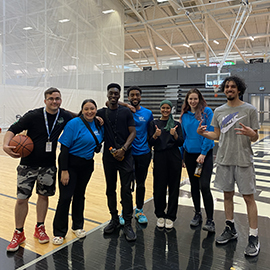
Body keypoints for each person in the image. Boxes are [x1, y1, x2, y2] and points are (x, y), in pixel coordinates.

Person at [3, 87, 73, 252]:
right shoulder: (33, 115)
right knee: (22, 199)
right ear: (45, 100)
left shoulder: (64, 116)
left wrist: (97, 117)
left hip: (48, 166)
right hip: (27, 165)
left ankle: (39, 227)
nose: (54, 101)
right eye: (51, 98)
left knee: (43, 196)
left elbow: (81, 117)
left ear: (60, 100)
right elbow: (13, 129)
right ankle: (18, 232)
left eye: (57, 98)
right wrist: (5, 145)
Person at [197, 75, 260, 257]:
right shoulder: (219, 111)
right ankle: (230, 228)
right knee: (227, 195)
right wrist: (203, 133)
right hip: (224, 159)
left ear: (239, 89)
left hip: (243, 160)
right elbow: (217, 136)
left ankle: (253, 236)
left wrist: (251, 134)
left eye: (233, 87)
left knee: (249, 198)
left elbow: (255, 137)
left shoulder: (250, 110)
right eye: (227, 87)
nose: (229, 89)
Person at [52, 99, 104, 245]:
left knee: (80, 196)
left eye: (92, 109)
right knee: (65, 197)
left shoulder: (99, 124)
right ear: (82, 110)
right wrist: (64, 170)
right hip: (70, 164)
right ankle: (59, 232)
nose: (89, 111)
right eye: (86, 109)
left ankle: (77, 226)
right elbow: (64, 149)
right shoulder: (73, 124)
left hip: (87, 165)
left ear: (96, 110)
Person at [96, 83, 137, 241]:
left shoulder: (126, 111)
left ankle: (127, 223)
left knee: (126, 190)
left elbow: (133, 132)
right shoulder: (100, 112)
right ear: (107, 94)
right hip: (108, 156)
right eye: (111, 93)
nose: (113, 96)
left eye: (116, 94)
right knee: (110, 189)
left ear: (119, 96)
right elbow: (82, 116)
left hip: (125, 156)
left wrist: (124, 149)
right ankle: (114, 219)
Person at [180, 89, 215, 232]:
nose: (192, 101)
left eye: (195, 98)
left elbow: (210, 132)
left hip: (204, 156)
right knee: (194, 185)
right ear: (187, 100)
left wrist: (203, 153)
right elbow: (183, 136)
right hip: (189, 155)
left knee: (204, 186)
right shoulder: (184, 116)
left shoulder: (207, 112)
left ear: (199, 99)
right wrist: (182, 156)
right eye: (190, 99)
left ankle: (210, 220)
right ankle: (197, 214)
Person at [118, 86, 153, 225]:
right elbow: (108, 103)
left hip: (143, 153)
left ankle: (139, 210)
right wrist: (127, 105)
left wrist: (148, 147)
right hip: (128, 154)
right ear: (128, 97)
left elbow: (150, 132)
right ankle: (124, 211)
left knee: (140, 183)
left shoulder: (148, 113)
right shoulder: (124, 110)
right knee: (125, 185)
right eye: (132, 95)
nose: (135, 97)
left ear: (141, 96)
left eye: (137, 95)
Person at [148, 100, 184, 229]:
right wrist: (156, 135)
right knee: (159, 186)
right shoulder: (154, 123)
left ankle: (171, 216)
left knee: (174, 187)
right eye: (163, 108)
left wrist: (174, 135)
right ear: (160, 109)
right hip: (159, 156)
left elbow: (180, 142)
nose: (165, 110)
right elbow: (150, 142)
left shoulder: (176, 125)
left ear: (171, 109)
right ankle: (160, 214)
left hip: (174, 156)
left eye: (168, 108)